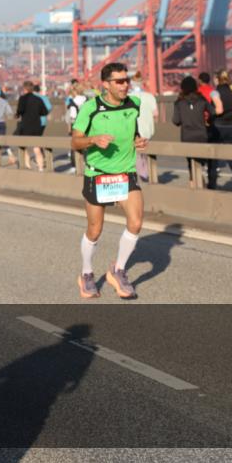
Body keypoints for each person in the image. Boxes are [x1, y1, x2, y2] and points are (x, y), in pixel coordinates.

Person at [71, 62, 147, 300]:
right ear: (106, 84)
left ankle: (118, 270)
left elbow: (132, 130)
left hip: (125, 173)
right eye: (120, 81)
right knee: (95, 230)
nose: (126, 85)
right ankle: (86, 273)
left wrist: (138, 140)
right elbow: (75, 142)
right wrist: (93, 140)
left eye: (127, 80)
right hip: (98, 175)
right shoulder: (90, 108)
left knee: (135, 223)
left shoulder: (134, 104)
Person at [208, 70, 232, 192]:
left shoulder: (214, 92)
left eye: (214, 79)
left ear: (217, 79)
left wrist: (210, 113)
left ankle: (212, 185)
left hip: (218, 126)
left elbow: (219, 110)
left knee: (213, 158)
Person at [171, 76, 210, 188]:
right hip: (202, 136)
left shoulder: (179, 102)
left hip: (187, 137)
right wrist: (206, 120)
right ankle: (201, 178)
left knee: (190, 163)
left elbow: (176, 121)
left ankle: (193, 184)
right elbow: (212, 112)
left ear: (182, 88)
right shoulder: (202, 100)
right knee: (200, 160)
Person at [131, 72, 159, 182]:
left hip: (134, 130)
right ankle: (148, 174)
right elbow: (155, 113)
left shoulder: (129, 97)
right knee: (147, 153)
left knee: (137, 154)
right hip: (148, 129)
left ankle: (142, 175)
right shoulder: (150, 96)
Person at [15, 80, 47, 170]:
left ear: (24, 89)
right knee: (36, 148)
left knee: (24, 147)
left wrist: (17, 115)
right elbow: (44, 112)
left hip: (25, 126)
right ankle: (40, 168)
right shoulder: (38, 99)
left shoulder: (22, 99)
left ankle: (28, 166)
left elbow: (19, 111)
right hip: (37, 126)